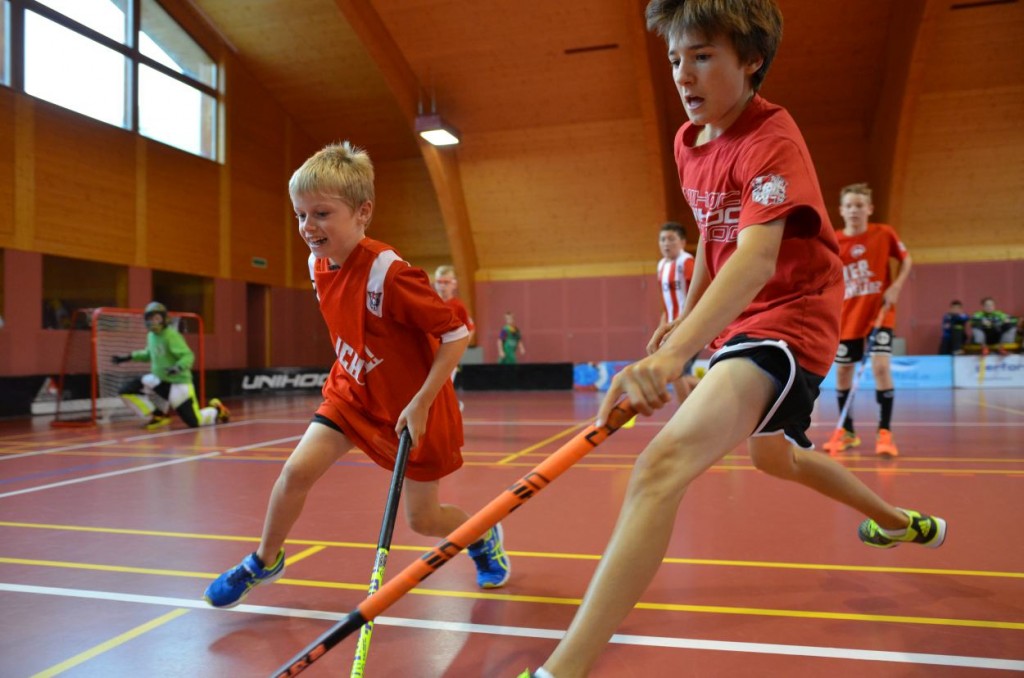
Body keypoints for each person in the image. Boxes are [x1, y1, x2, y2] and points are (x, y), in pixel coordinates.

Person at [519, 2, 945, 676]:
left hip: (793, 319)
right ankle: (895, 520)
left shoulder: (771, 138)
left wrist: (674, 355)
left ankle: (561, 669)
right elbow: (715, 252)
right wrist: (681, 327)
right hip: (748, 323)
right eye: (674, 59)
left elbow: (752, 258)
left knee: (659, 467)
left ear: (750, 59)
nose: (683, 74)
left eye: (702, 56)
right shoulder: (690, 145)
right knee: (777, 458)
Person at [203, 142, 509, 609]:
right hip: (352, 392)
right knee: (294, 472)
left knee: (424, 521)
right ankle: (264, 561)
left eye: (322, 214)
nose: (308, 227)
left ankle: (482, 535)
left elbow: (455, 335)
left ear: (363, 212)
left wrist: (423, 400)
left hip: (413, 406)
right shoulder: (316, 263)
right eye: (301, 215)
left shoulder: (390, 273)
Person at [823, 182, 912, 457]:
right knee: (843, 371)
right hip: (847, 316)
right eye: (849, 205)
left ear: (869, 209)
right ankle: (847, 431)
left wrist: (895, 286)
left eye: (859, 205)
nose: (854, 210)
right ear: (840, 210)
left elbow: (906, 260)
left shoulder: (884, 234)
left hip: (879, 314)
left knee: (881, 368)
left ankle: (884, 432)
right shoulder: (834, 240)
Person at [112, 301, 230, 430]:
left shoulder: (171, 336)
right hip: (160, 380)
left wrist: (178, 367)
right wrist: (128, 357)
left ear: (164, 319)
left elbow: (188, 355)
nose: (153, 321)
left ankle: (217, 410)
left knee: (195, 422)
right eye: (150, 318)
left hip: (178, 384)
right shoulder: (151, 336)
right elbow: (148, 354)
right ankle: (158, 415)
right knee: (126, 391)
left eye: (157, 318)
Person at [653, 221, 699, 402]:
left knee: (675, 372)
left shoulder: (686, 262)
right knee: (677, 372)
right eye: (662, 239)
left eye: (671, 239)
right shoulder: (661, 266)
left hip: (689, 326)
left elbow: (701, 293)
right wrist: (661, 328)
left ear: (682, 242)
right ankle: (697, 406)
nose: (666, 243)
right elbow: (666, 304)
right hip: (672, 329)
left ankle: (685, 414)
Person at [435, 264, 475, 409]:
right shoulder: (431, 301)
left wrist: (458, 351)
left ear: (454, 284)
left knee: (443, 386)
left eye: (446, 282)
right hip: (432, 352)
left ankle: (453, 408)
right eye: (440, 282)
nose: (442, 286)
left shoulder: (458, 306)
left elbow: (470, 329)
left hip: (449, 354)